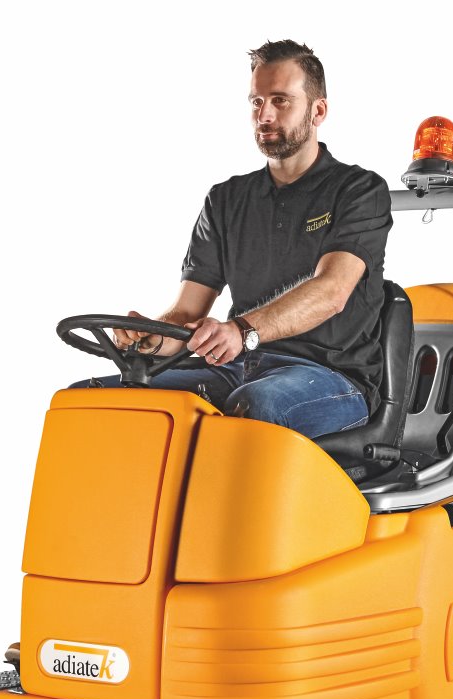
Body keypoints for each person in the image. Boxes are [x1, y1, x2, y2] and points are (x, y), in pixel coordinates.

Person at [76, 39, 393, 440]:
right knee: (99, 399)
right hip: (236, 368)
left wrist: (242, 331)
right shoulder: (226, 200)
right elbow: (185, 312)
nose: (265, 114)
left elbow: (332, 291)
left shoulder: (358, 190)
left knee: (255, 406)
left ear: (318, 111)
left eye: (281, 101)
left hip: (330, 378)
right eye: (257, 102)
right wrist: (153, 338)